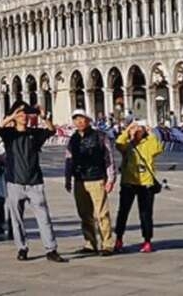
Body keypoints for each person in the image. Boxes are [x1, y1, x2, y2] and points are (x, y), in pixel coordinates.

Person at [0, 102, 66, 263]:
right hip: (14, 181)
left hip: (34, 181)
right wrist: (13, 115)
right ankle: (22, 248)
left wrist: (43, 116)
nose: (24, 117)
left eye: (26, 114)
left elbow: (51, 130)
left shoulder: (34, 134)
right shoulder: (9, 134)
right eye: (21, 114)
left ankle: (51, 249)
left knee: (44, 217)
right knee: (17, 219)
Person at [64, 108, 117, 255]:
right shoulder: (73, 138)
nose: (79, 122)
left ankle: (107, 244)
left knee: (101, 213)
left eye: (82, 118)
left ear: (88, 120)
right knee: (84, 213)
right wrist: (68, 178)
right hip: (79, 179)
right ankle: (90, 243)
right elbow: (68, 159)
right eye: (76, 119)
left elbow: (109, 158)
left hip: (97, 178)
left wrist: (111, 178)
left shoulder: (100, 136)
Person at [114, 120, 164, 252]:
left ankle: (147, 240)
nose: (137, 132)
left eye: (140, 129)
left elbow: (158, 149)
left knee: (146, 213)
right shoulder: (127, 145)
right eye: (135, 129)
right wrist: (127, 130)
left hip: (146, 183)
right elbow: (118, 144)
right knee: (123, 212)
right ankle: (119, 238)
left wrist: (151, 133)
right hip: (128, 182)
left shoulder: (149, 143)